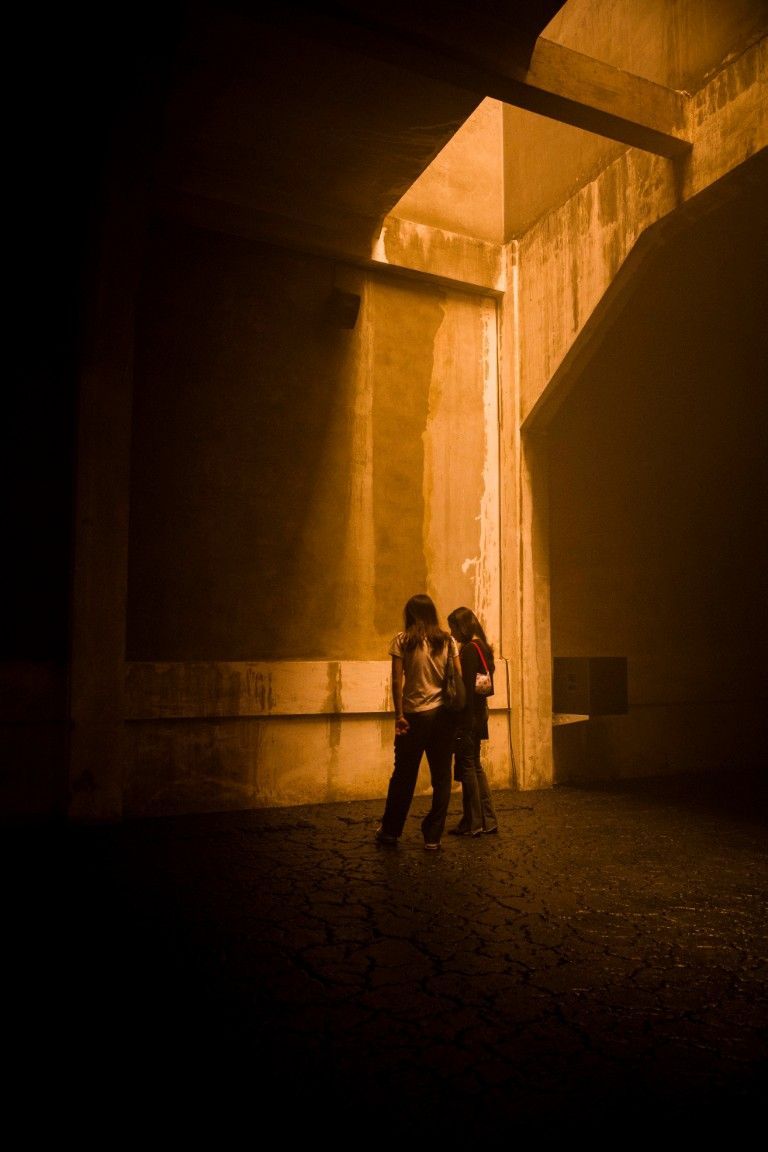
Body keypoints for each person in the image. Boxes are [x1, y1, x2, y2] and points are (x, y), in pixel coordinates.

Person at [376, 593, 463, 850]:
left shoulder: (402, 640)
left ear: (410, 615)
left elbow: (396, 680)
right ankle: (433, 836)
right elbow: (457, 676)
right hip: (443, 717)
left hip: (413, 716)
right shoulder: (447, 641)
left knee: (403, 776)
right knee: (442, 778)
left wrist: (399, 715)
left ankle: (391, 831)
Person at [447, 606, 499, 836]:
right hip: (480, 714)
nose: (452, 633)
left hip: (468, 718)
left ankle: (475, 822)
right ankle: (487, 819)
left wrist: (461, 722)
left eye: (453, 628)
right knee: (475, 766)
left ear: (462, 627)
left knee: (468, 767)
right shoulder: (483, 647)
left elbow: (466, 689)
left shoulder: (469, 649)